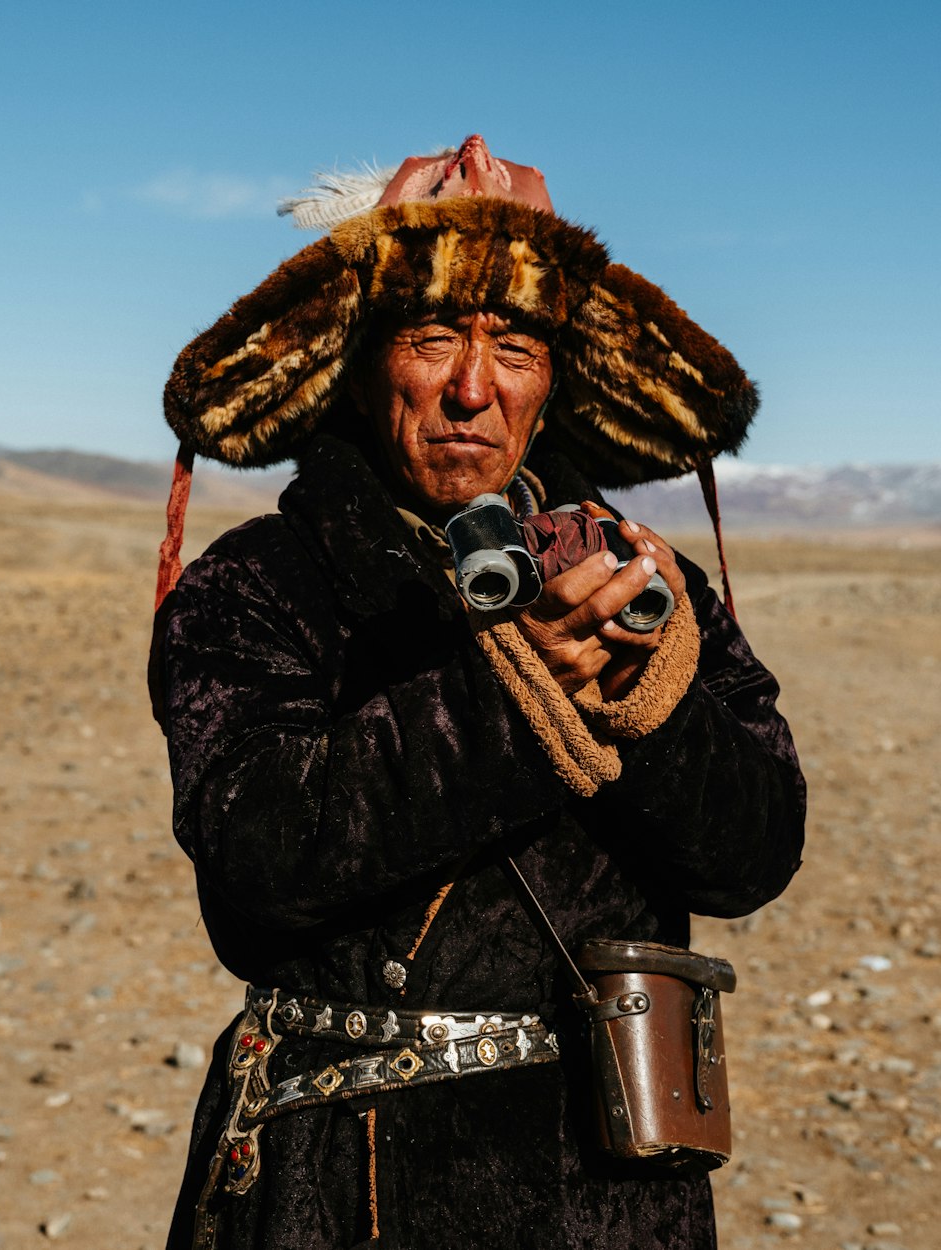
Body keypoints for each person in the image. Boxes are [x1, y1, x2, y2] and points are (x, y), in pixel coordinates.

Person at [151, 135, 806, 1250]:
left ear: (551, 384)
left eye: (512, 342)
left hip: (618, 1186)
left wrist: (649, 690)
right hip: (345, 1176)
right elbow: (254, 866)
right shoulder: (259, 583)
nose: (471, 384)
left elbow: (754, 853)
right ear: (363, 365)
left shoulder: (649, 581)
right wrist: (520, 688)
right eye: (432, 334)